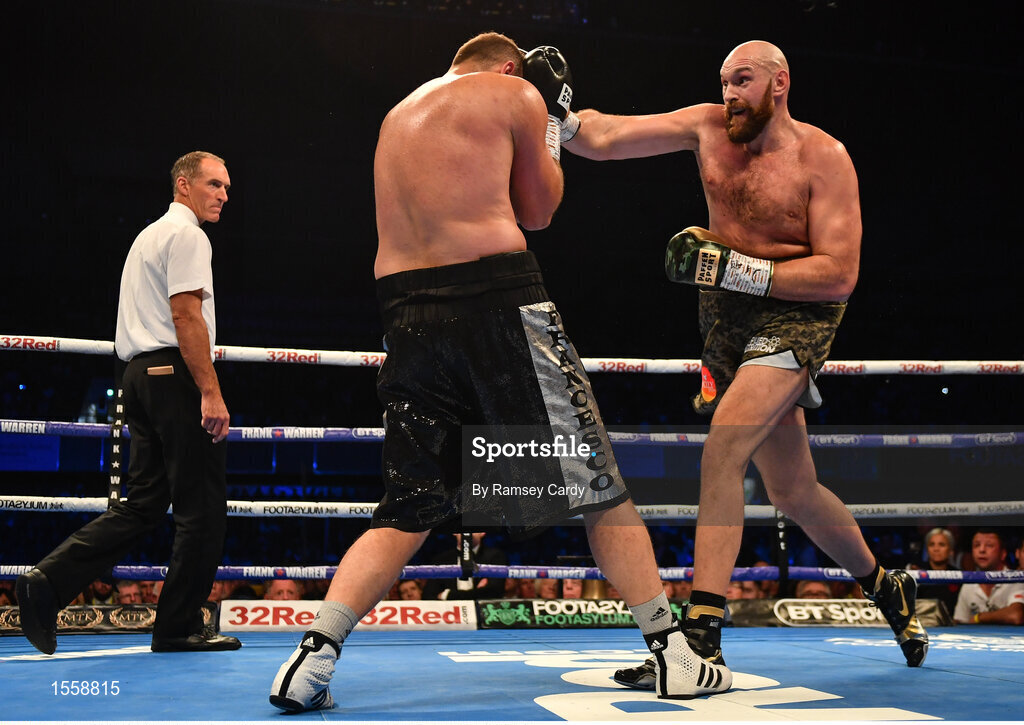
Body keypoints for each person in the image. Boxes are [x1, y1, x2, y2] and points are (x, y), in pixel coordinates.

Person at [269, 33, 718, 711]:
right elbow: (539, 210)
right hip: (497, 299)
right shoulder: (515, 92)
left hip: (406, 313)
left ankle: (313, 656)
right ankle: (671, 652)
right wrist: (551, 119)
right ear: (509, 67)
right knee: (597, 478)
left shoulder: (399, 115)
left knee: (408, 502)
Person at [557, 40, 928, 691]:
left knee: (722, 447)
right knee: (793, 490)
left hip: (797, 316)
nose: (730, 93)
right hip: (725, 325)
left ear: (780, 83)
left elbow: (839, 273)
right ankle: (886, 585)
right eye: (725, 81)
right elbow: (607, 135)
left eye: (743, 80)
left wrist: (741, 269)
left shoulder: (824, 157)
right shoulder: (706, 128)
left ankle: (698, 640)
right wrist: (551, 111)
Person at [16, 151, 240, 654]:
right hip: (173, 374)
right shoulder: (188, 236)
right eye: (214, 184)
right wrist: (210, 389)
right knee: (200, 508)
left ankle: (45, 583)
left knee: (141, 506)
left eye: (227, 187)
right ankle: (178, 625)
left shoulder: (147, 236)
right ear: (184, 185)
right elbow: (186, 317)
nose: (223, 195)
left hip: (137, 376)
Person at [953, 530, 1024, 625]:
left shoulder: (1015, 579)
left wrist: (979, 617)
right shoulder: (968, 584)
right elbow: (959, 622)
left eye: (989, 545)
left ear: (1003, 554)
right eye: (977, 545)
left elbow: (1015, 615)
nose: (982, 550)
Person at [420, 532, 508, 601]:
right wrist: (477, 593)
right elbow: (429, 596)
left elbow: (495, 592)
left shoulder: (495, 556)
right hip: (450, 615)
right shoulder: (441, 559)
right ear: (455, 532)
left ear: (482, 532)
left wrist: (448, 595)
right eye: (463, 527)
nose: (467, 532)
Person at [909, 527, 961, 616]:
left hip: (952, 626)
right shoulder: (916, 572)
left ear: (951, 550)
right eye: (932, 544)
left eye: (942, 544)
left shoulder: (959, 575)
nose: (936, 549)